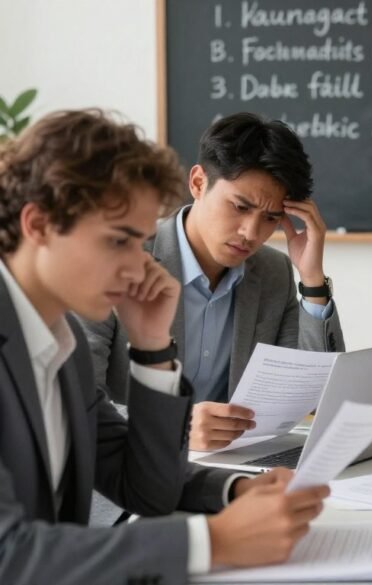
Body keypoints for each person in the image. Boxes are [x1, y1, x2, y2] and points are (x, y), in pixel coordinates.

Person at [0, 109, 328, 583]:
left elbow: (144, 487)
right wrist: (214, 542)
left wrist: (153, 349)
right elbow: (10, 555)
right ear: (39, 224)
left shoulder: (57, 344)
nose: (139, 269)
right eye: (119, 241)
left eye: (141, 242)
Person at [78, 112, 344, 451]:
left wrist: (312, 280)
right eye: (240, 206)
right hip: (125, 482)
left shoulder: (274, 273)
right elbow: (76, 407)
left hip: (223, 473)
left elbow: (312, 395)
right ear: (198, 183)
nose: (251, 233)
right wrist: (172, 428)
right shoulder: (117, 262)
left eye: (271, 218)